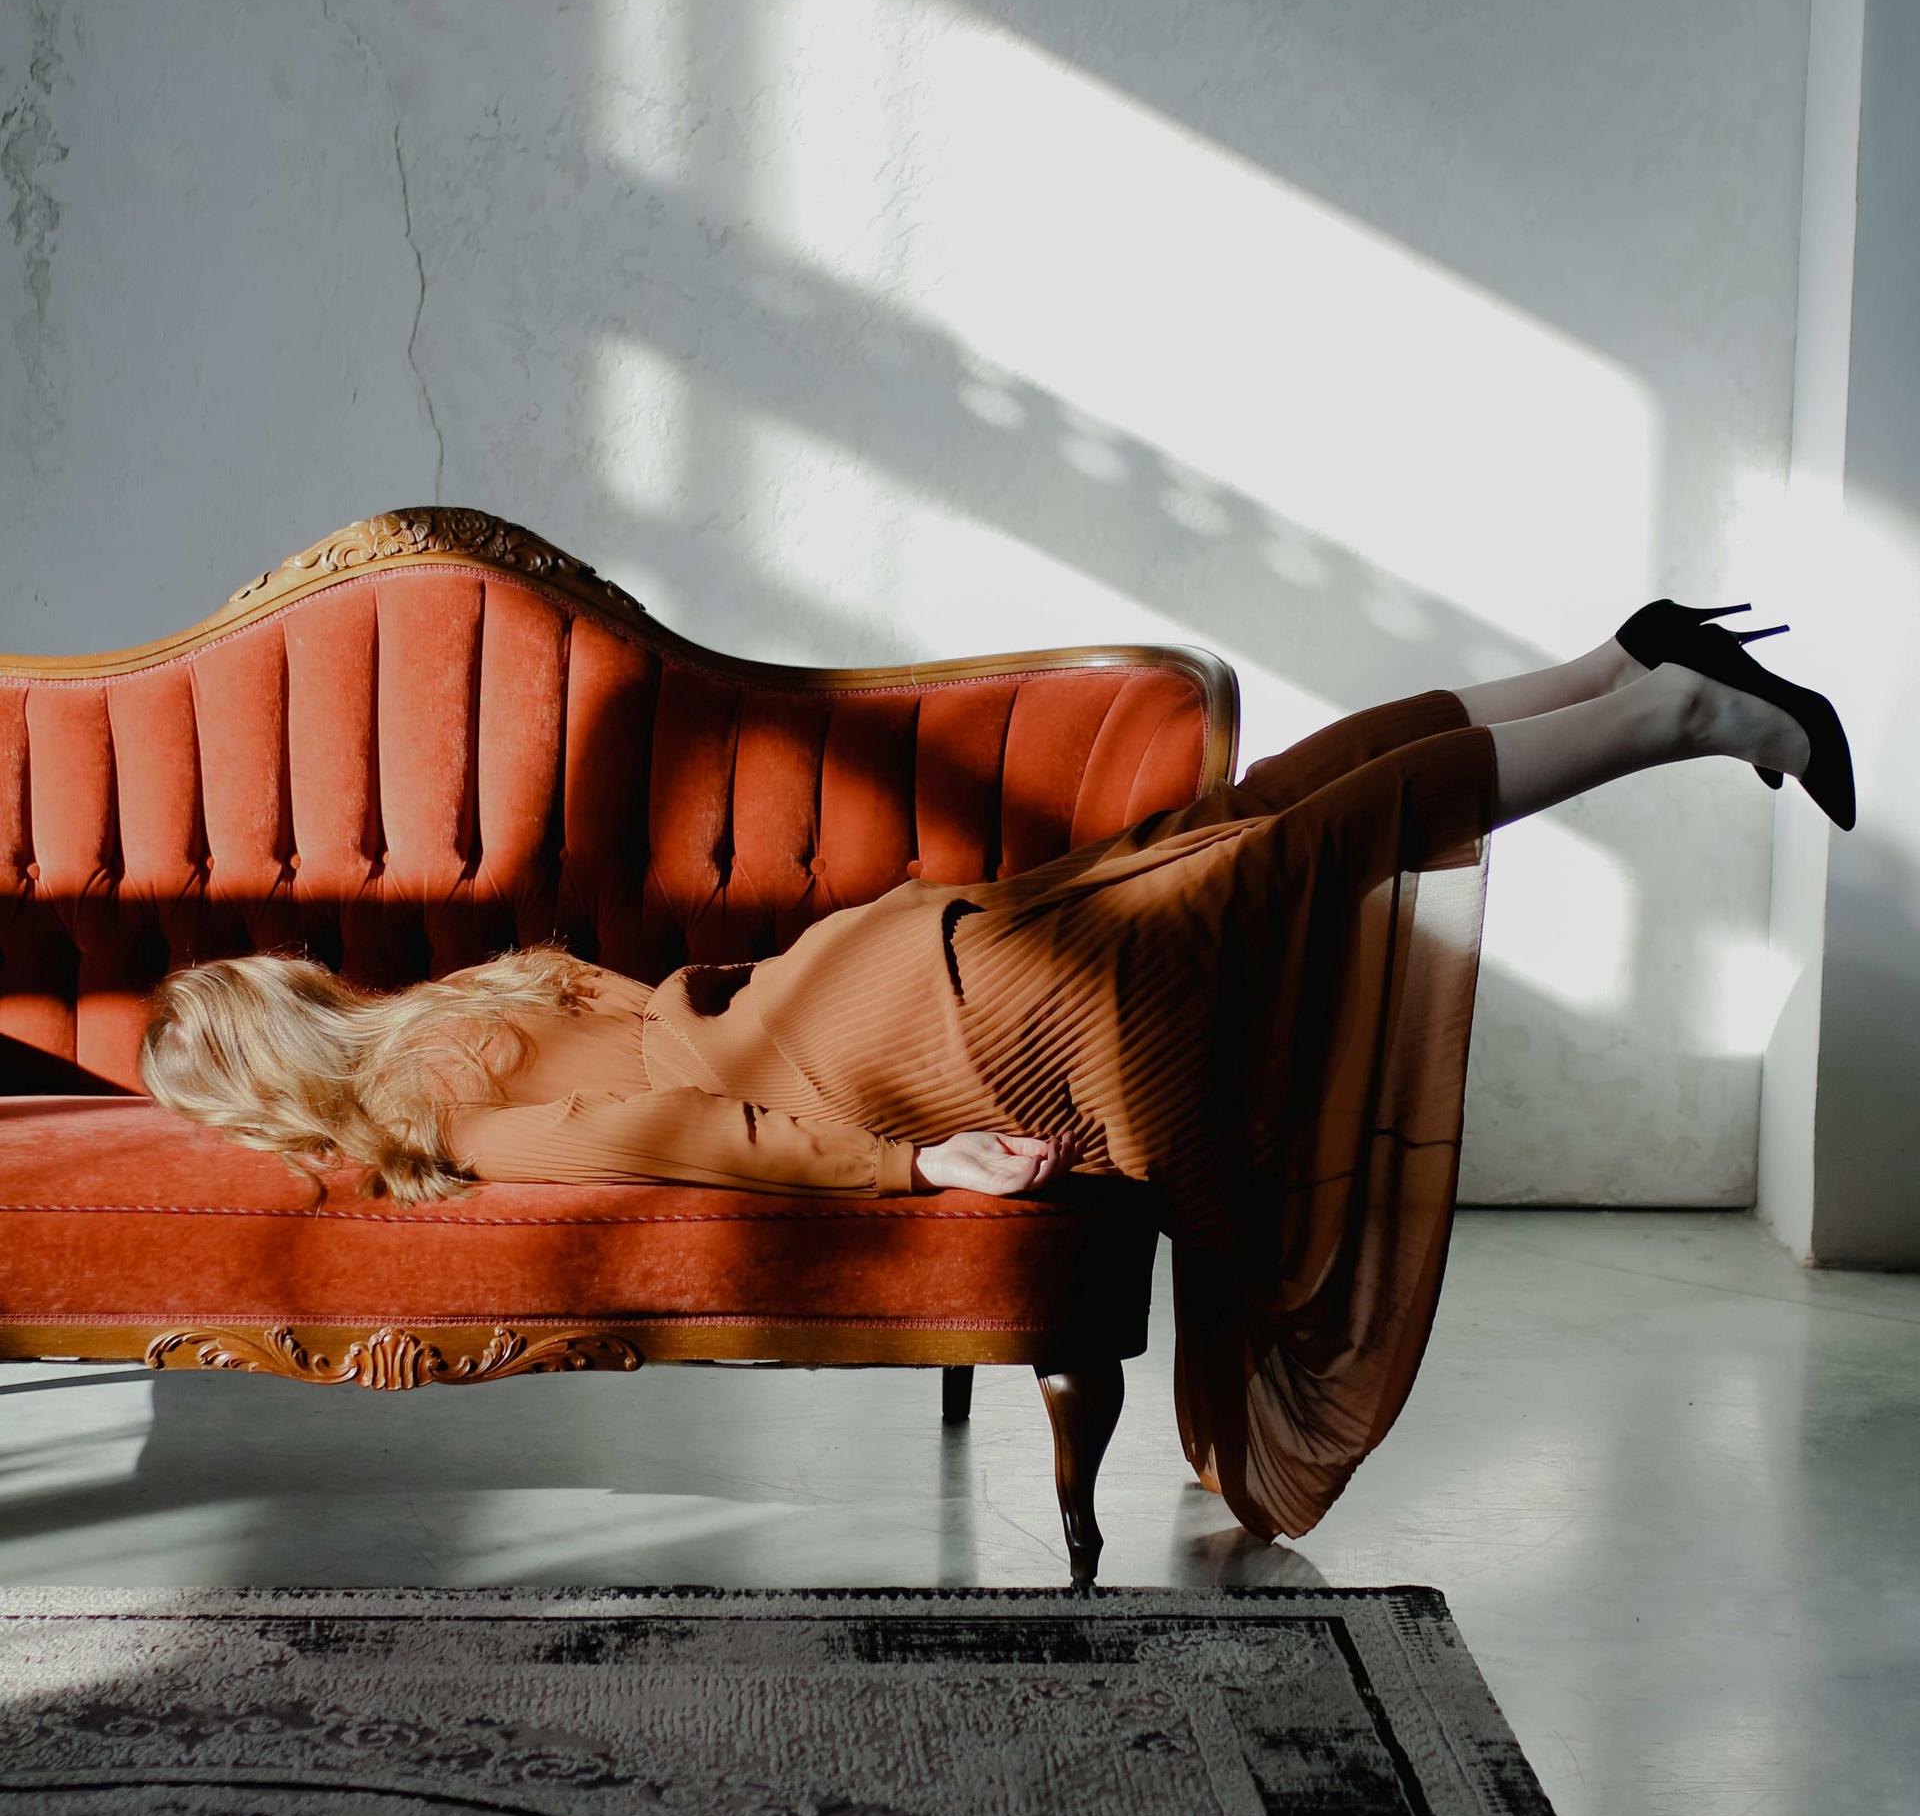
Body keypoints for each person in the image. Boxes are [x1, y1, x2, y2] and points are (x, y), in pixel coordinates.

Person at [136, 603, 1849, 1542]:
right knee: (1222, 834)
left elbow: (670, 1128)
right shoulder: (459, 999)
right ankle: (1611, 667)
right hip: (881, 954)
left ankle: (1669, 720)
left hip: (902, 1042)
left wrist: (904, 1171)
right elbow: (656, 1041)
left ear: (255, 1095)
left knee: (1261, 876)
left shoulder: (428, 1111)